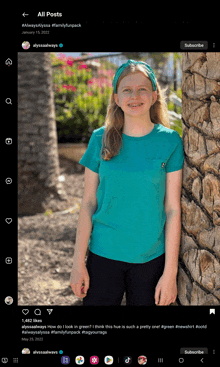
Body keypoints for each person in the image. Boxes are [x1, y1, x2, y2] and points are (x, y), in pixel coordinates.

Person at [70, 59, 184, 306]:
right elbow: (88, 203)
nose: (135, 96)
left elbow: (173, 209)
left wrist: (170, 273)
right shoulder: (100, 139)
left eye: (142, 89)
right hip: (103, 256)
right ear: (117, 98)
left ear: (154, 95)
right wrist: (78, 264)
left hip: (152, 260)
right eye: (127, 90)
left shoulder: (170, 142)